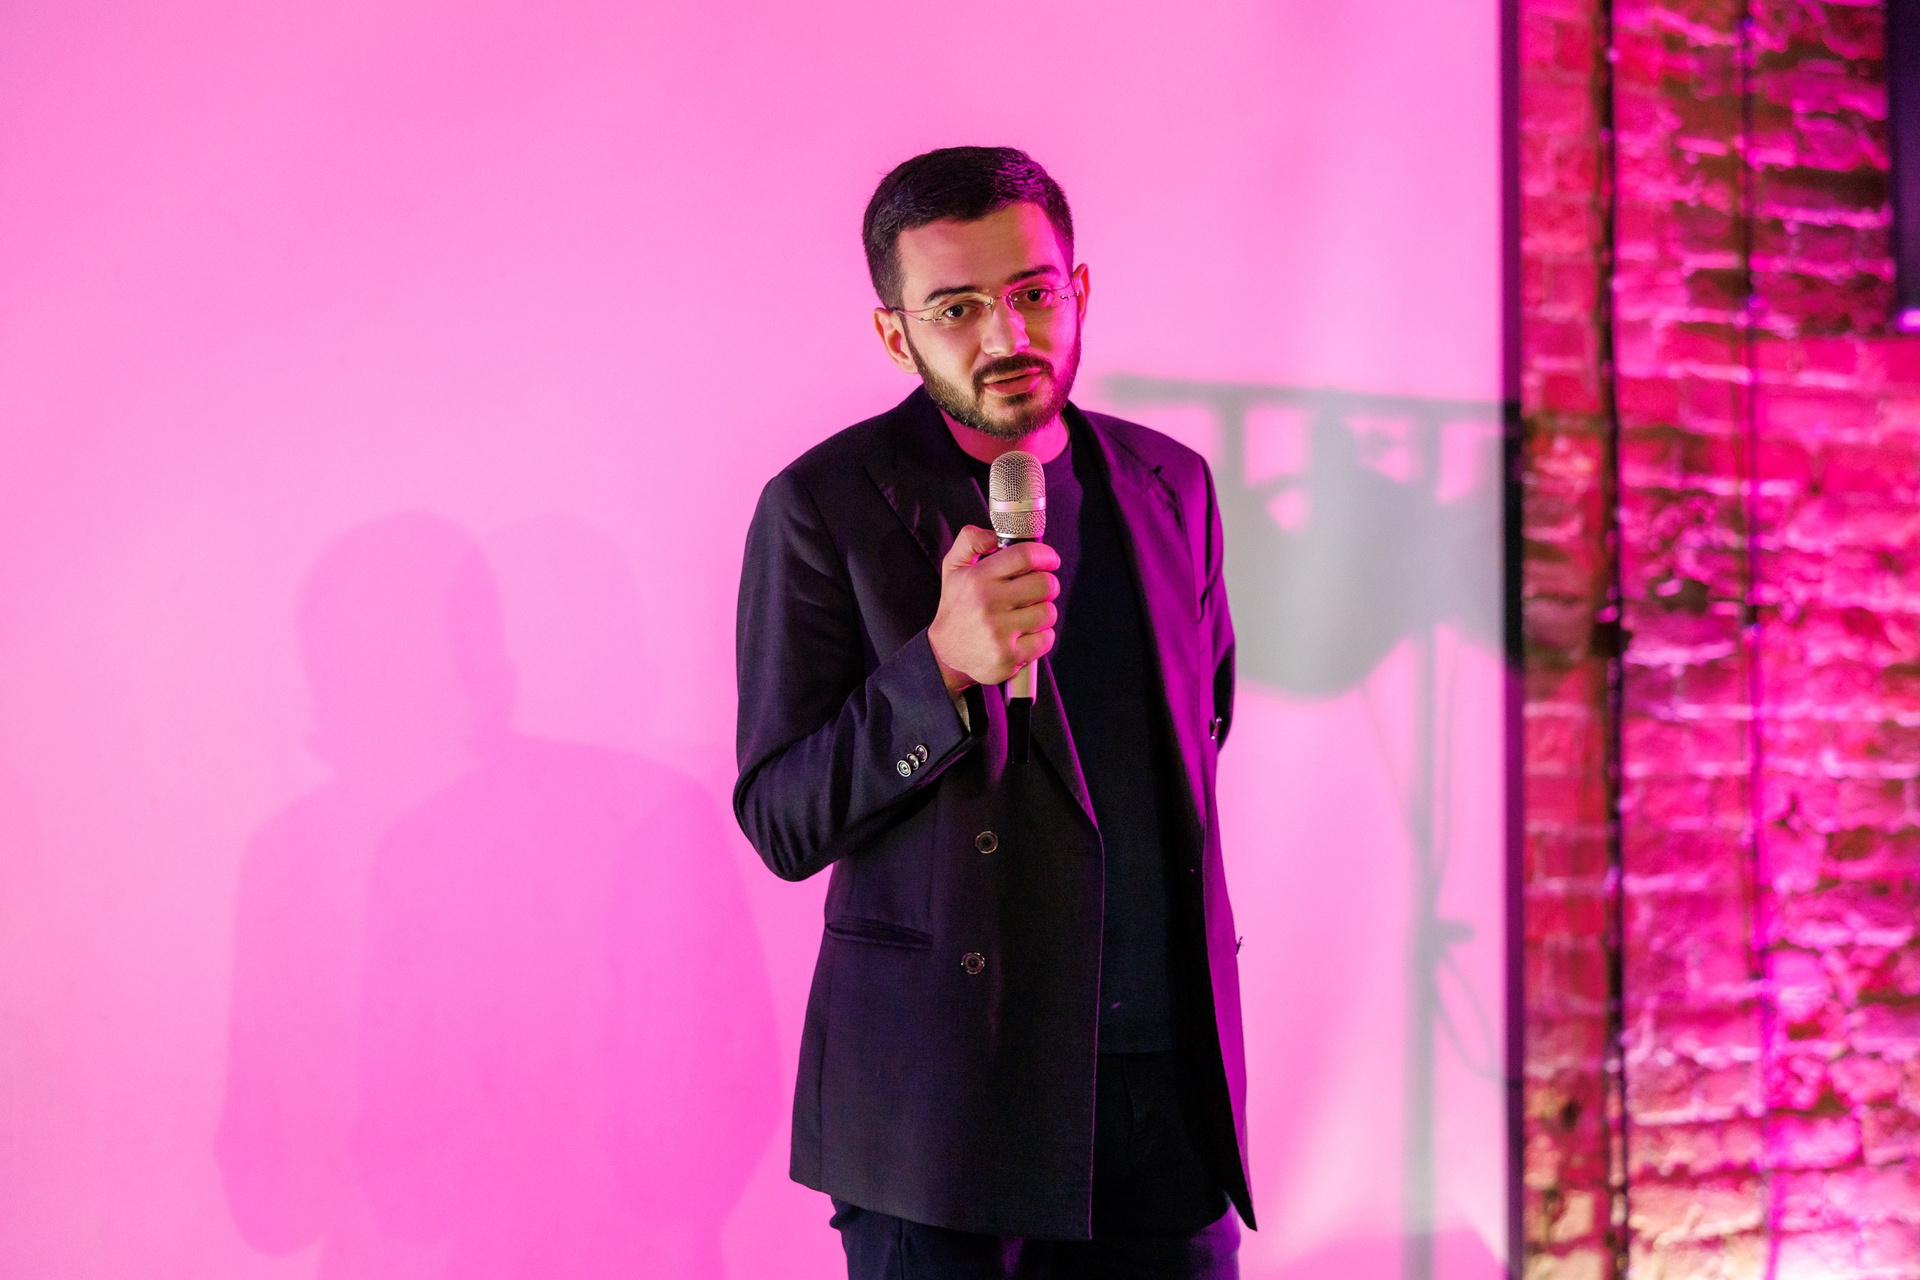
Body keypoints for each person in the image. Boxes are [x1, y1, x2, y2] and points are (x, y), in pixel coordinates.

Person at [734, 146, 1252, 1279]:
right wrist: (937, 670)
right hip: (947, 1111)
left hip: (1163, 1092)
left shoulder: (1172, 484)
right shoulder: (823, 506)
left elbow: (1203, 726)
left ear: (1080, 289)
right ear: (896, 335)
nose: (1007, 335)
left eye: (1032, 292)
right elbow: (779, 816)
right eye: (958, 308)